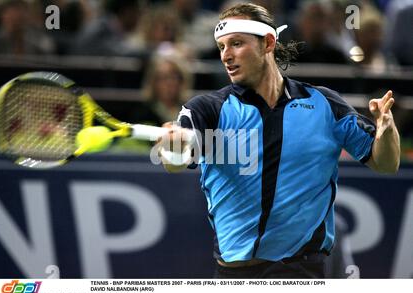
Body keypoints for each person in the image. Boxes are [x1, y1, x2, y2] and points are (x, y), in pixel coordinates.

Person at [156, 3, 400, 278]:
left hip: (304, 274)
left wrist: (386, 129)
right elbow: (175, 163)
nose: (226, 56)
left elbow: (386, 163)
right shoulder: (207, 109)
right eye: (222, 46)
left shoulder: (324, 105)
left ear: (268, 43)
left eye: (236, 43)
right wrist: (174, 147)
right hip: (235, 278)